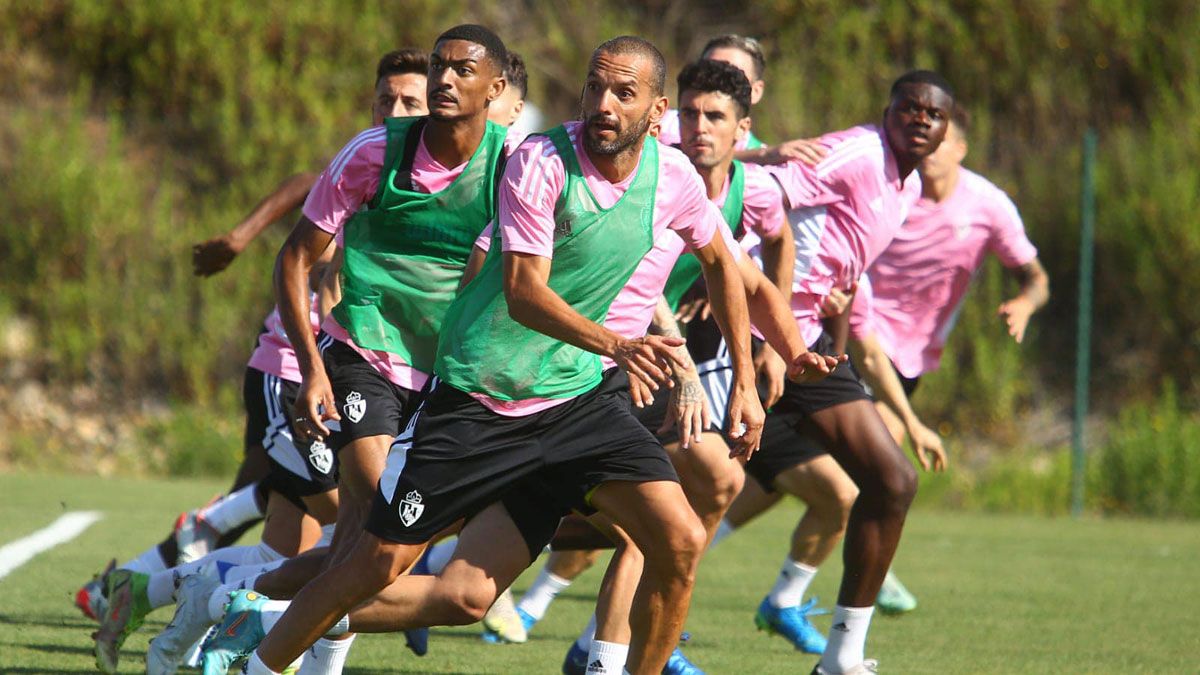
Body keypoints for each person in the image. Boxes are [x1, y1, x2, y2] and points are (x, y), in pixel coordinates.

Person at [198, 34, 832, 675]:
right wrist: (619, 344)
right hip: (479, 400)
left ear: (656, 110)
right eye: (594, 87)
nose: (603, 104)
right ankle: (261, 656)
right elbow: (524, 293)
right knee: (378, 562)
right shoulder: (541, 160)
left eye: (623, 93)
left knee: (678, 539)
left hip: (579, 402)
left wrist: (757, 375)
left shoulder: (672, 179)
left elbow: (726, 266)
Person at [73, 45, 434, 631]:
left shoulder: (435, 184)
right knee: (359, 519)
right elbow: (303, 187)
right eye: (385, 99)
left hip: (348, 382)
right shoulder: (365, 166)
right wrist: (242, 237)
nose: (394, 109)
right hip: (294, 372)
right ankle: (270, 614)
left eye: (409, 101)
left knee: (285, 545)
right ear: (370, 104)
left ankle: (129, 589)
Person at [747, 70, 955, 674]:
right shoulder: (860, 153)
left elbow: (845, 271)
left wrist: (835, 316)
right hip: (758, 331)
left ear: (946, 129)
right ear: (887, 109)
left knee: (891, 482)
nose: (920, 119)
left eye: (933, 113)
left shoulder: (906, 189)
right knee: (663, 498)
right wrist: (736, 268)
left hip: (807, 344)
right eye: (909, 107)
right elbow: (761, 188)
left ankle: (842, 657)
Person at [845, 104, 1049, 611]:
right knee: (880, 461)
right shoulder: (895, 190)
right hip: (862, 336)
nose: (930, 151)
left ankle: (816, 577)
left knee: (786, 478)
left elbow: (1036, 278)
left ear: (960, 148)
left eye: (941, 142)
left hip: (914, 354)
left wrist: (1024, 303)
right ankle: (864, 577)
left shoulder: (988, 204)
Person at [655, 35, 823, 167]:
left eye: (733, 75)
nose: (716, 80)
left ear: (756, 91)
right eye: (710, 70)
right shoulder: (661, 121)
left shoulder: (769, 165)